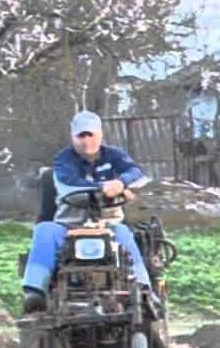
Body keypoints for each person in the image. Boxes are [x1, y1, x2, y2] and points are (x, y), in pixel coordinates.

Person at [20, 110, 153, 314]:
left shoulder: (114, 155)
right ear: (73, 137)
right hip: (69, 226)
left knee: (125, 235)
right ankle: (35, 291)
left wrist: (121, 182)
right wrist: (106, 188)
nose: (86, 140)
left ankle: (143, 290)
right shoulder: (64, 160)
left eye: (90, 134)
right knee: (44, 230)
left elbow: (135, 173)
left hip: (107, 224)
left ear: (100, 135)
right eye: (81, 136)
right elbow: (70, 183)